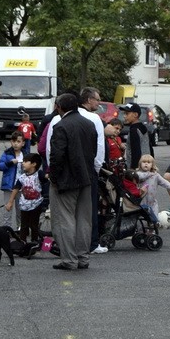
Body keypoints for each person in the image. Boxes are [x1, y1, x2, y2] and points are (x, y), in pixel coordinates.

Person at [48, 92, 97, 271]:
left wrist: (53, 177)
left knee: (65, 220)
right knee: (84, 220)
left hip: (66, 180)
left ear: (60, 107)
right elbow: (93, 151)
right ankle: (83, 257)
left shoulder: (61, 126)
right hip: (86, 177)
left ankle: (69, 259)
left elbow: (57, 156)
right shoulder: (89, 124)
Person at [78, 88, 106, 255]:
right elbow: (99, 146)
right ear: (88, 100)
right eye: (97, 99)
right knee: (90, 207)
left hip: (71, 169)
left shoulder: (65, 117)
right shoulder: (94, 118)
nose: (99, 102)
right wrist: (97, 167)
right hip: (89, 168)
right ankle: (93, 243)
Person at [5, 153, 46, 243]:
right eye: (22, 161)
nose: (23, 163)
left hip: (36, 204)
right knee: (23, 225)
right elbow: (15, 189)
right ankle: (22, 241)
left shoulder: (39, 174)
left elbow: (46, 178)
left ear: (34, 164)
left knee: (34, 224)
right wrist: (10, 202)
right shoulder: (21, 177)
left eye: (26, 161)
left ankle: (35, 241)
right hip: (24, 204)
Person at [133, 154, 170, 230]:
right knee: (141, 217)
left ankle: (153, 228)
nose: (146, 164)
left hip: (152, 202)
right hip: (141, 201)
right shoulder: (138, 174)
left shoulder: (155, 175)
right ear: (140, 164)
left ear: (152, 165)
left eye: (148, 162)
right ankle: (140, 229)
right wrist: (149, 174)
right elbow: (141, 177)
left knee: (153, 216)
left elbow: (163, 182)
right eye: (144, 162)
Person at [0, 131, 25, 228]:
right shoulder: (7, 153)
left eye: (18, 141)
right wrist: (9, 163)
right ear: (11, 142)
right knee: (8, 208)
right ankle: (6, 228)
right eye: (14, 141)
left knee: (20, 209)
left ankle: (20, 228)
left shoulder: (25, 155)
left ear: (23, 143)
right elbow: (0, 166)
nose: (16, 144)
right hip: (9, 185)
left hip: (21, 187)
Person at [121, 103, 152, 169]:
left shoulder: (134, 130)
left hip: (137, 170)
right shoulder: (143, 127)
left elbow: (135, 152)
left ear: (135, 115)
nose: (124, 116)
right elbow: (150, 147)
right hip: (147, 167)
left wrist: (133, 170)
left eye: (127, 114)